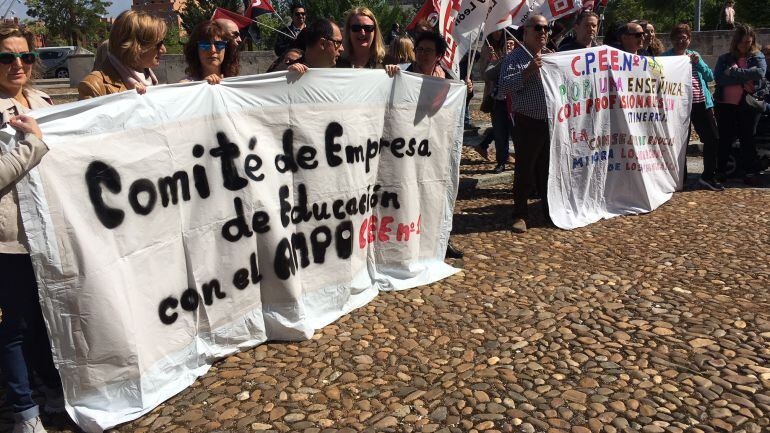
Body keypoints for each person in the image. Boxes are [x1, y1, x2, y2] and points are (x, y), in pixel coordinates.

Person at [0, 23, 64, 433]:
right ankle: (23, 411)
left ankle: (52, 390)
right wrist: (33, 145)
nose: (18, 64)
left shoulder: (43, 101)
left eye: (26, 56)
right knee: (17, 326)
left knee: (47, 317)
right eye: (6, 57)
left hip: (48, 229)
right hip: (9, 238)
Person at [402, 30, 466, 259]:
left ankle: (441, 239)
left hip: (436, 147)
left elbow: (456, 106)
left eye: (428, 51)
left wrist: (466, 90)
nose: (422, 54)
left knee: (436, 193)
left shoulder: (446, 77)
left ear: (438, 55)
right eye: (419, 50)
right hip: (408, 146)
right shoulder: (404, 75)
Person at [498, 14, 553, 234]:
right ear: (526, 31)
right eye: (538, 28)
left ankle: (549, 210)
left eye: (546, 28)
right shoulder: (514, 58)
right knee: (525, 169)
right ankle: (520, 214)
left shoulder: (551, 56)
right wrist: (528, 71)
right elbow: (503, 88)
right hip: (527, 121)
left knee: (548, 169)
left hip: (551, 122)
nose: (543, 32)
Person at [663, 24, 723, 191]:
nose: (681, 41)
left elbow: (710, 77)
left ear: (689, 40)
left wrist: (698, 64)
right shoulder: (666, 57)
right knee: (679, 141)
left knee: (712, 138)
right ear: (672, 39)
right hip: (678, 105)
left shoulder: (694, 56)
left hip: (701, 103)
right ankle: (680, 177)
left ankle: (708, 176)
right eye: (677, 38)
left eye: (684, 38)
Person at [714, 24, 767, 184]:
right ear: (736, 42)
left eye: (749, 42)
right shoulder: (725, 58)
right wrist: (746, 76)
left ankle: (749, 172)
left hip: (749, 104)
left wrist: (733, 72)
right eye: (743, 42)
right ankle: (721, 171)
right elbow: (719, 78)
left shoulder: (758, 56)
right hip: (725, 104)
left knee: (747, 138)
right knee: (725, 138)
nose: (746, 45)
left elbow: (759, 73)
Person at [78, 10, 167, 99]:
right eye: (158, 44)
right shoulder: (94, 86)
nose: (164, 50)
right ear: (135, 46)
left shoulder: (149, 78)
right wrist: (131, 98)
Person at [479, 31, 516, 173]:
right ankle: (501, 162)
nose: (510, 46)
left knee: (516, 134)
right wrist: (502, 61)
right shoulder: (497, 59)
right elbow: (488, 74)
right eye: (507, 44)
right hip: (499, 103)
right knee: (500, 134)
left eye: (512, 44)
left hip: (515, 104)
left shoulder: (520, 60)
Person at [181, 20, 240, 85]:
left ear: (227, 49)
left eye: (219, 44)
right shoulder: (185, 86)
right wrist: (202, 85)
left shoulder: (237, 84)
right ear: (195, 50)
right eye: (205, 44)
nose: (212, 50)